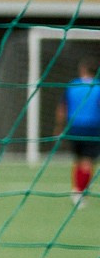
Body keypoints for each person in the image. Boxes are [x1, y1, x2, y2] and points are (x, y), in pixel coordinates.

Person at [57, 57, 100, 209]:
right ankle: (81, 191)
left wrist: (59, 128)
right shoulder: (98, 87)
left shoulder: (72, 85)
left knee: (77, 160)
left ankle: (76, 189)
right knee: (88, 162)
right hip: (92, 128)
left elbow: (62, 108)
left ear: (82, 70)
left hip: (74, 127)